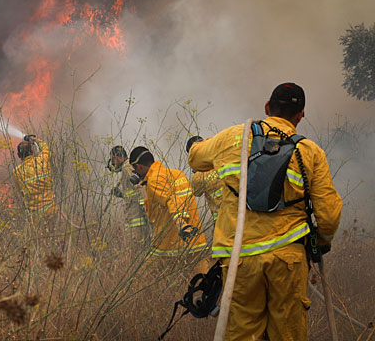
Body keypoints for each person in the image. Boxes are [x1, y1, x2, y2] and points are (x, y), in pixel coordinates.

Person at [187, 82, 343, 341]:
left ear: (267, 107)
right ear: (301, 115)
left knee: (241, 333)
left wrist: (207, 147)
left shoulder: (233, 137)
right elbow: (329, 216)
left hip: (240, 259)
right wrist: (321, 243)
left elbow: (195, 158)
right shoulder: (310, 152)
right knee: (287, 335)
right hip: (288, 259)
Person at [129, 146, 208, 269]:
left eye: (134, 169)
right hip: (195, 240)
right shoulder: (177, 174)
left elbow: (172, 200)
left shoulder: (154, 181)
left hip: (170, 244)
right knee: (202, 281)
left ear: (138, 167)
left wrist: (182, 224)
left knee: (142, 277)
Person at [106, 145, 150, 246]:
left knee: (139, 244)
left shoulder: (128, 168)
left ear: (116, 157)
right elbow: (133, 194)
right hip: (135, 215)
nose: (113, 164)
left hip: (138, 216)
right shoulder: (128, 168)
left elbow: (140, 186)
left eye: (113, 160)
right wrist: (121, 194)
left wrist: (146, 208)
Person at [13, 135, 57, 217]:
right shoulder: (42, 160)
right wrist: (34, 140)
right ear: (32, 152)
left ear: (19, 155)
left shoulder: (17, 172)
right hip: (51, 210)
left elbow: (21, 191)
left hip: (35, 215)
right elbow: (45, 148)